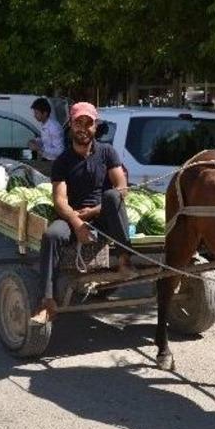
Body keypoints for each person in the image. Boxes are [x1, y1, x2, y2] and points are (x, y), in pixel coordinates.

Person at [39, 101, 135, 293]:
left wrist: (95, 210)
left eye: (88, 123)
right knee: (52, 235)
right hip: (73, 218)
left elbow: (122, 187)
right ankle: (46, 300)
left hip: (102, 218)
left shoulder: (107, 152)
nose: (82, 128)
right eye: (78, 123)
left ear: (95, 126)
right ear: (71, 126)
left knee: (112, 196)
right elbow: (59, 201)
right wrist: (77, 223)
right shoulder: (62, 162)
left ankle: (125, 260)